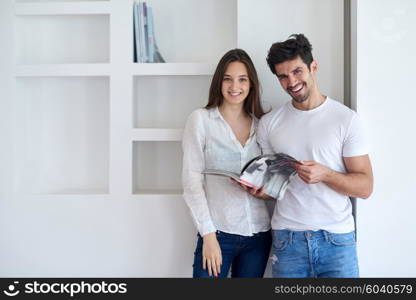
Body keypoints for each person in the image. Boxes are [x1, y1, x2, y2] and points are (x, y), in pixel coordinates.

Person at [252, 34, 373, 278]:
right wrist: (259, 190)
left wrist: (326, 174)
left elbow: (365, 187)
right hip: (288, 240)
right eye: (283, 76)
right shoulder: (269, 124)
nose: (292, 81)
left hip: (337, 241)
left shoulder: (346, 120)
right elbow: (271, 186)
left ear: (313, 67)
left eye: (297, 71)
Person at [182, 49, 272, 278]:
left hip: (258, 236)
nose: (235, 86)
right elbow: (191, 182)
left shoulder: (262, 125)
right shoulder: (201, 120)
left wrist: (264, 190)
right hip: (218, 233)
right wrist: (208, 236)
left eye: (242, 79)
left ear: (251, 84)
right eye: (228, 79)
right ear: (218, 82)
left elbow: (270, 183)